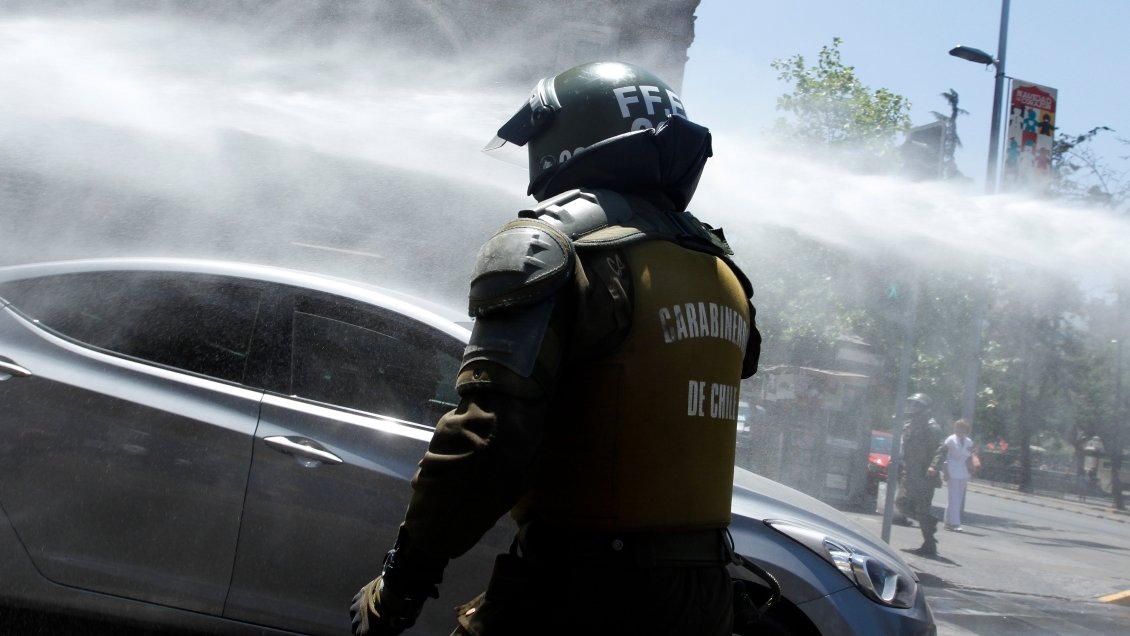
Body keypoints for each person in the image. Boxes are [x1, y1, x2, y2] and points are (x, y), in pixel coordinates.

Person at [349, 61, 761, 636]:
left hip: (581, 595)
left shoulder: (556, 246)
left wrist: (402, 581)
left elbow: (487, 439)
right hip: (705, 599)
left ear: (563, 140)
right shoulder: (720, 269)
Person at [894, 393, 946, 556]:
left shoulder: (931, 427)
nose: (912, 407)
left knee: (922, 509)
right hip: (909, 472)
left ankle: (929, 545)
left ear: (924, 408)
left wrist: (933, 467)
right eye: (911, 404)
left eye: (916, 405)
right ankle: (930, 521)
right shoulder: (909, 424)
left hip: (924, 475)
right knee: (901, 502)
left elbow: (941, 448)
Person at [941, 418, 976, 531]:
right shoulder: (950, 440)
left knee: (958, 498)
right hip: (951, 469)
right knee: (953, 497)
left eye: (962, 428)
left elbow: (969, 456)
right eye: (958, 428)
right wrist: (945, 472)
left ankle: (948, 522)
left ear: (967, 430)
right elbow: (944, 456)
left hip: (963, 471)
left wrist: (972, 467)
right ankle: (955, 523)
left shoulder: (969, 442)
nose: (960, 430)